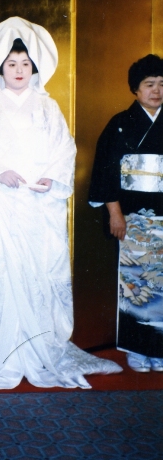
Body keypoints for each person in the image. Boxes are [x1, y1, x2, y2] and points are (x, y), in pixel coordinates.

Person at [0, 17, 121, 389]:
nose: (18, 70)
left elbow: (65, 149)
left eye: (24, 64)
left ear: (34, 68)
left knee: (36, 278)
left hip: (36, 206)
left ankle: (37, 348)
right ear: (0, 68)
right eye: (11, 64)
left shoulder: (48, 107)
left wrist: (52, 177)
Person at [89, 54, 163, 373]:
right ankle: (136, 348)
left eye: (162, 84)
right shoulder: (119, 124)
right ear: (135, 89)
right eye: (149, 84)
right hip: (135, 217)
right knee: (136, 283)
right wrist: (115, 213)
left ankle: (159, 350)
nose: (157, 90)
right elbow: (105, 172)